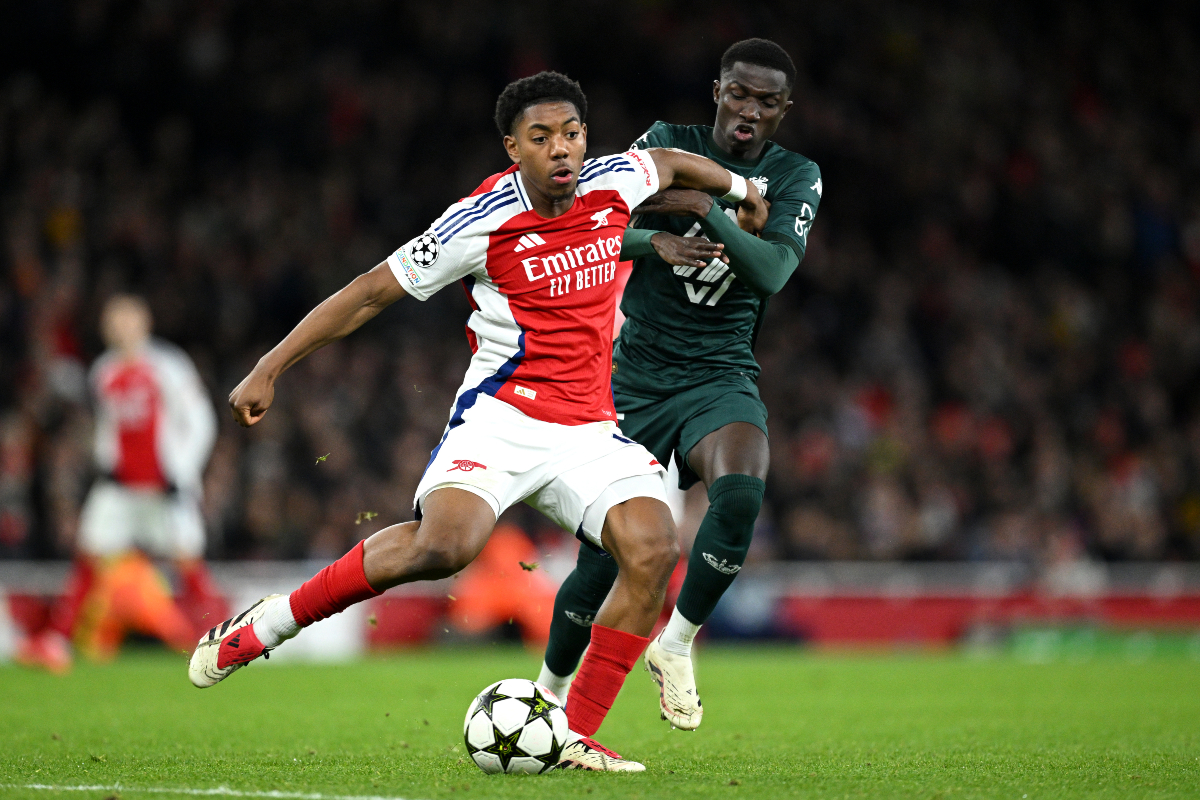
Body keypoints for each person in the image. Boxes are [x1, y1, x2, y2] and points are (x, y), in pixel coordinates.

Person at [188, 71, 766, 772]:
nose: (562, 150)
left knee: (652, 548)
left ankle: (571, 733)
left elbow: (673, 163)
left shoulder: (617, 179)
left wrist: (742, 191)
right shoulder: (477, 221)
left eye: (573, 134)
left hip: (588, 430)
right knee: (446, 547)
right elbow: (371, 293)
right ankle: (269, 622)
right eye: (542, 137)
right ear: (512, 148)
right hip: (500, 421)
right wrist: (270, 367)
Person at [537, 39, 822, 731]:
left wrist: (705, 208)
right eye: (739, 93)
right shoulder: (666, 142)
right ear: (716, 91)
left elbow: (773, 271)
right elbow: (591, 227)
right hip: (634, 375)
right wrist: (656, 240)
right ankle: (545, 692)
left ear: (784, 110)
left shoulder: (797, 175)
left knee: (744, 484)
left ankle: (676, 642)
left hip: (718, 372)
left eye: (766, 100)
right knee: (604, 560)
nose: (749, 109)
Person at [17, 294, 220, 671]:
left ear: (145, 323)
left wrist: (184, 471)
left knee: (187, 561)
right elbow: (110, 428)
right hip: (120, 486)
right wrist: (104, 461)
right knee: (89, 553)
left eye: (128, 319)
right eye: (114, 320)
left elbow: (202, 421)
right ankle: (56, 642)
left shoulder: (169, 366)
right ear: (106, 327)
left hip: (164, 485)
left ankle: (223, 640)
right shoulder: (103, 371)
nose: (121, 327)